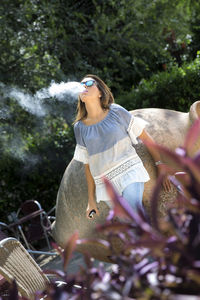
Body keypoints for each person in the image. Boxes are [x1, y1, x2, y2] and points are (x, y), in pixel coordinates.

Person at [73, 74, 172, 219]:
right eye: (82, 85)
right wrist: (91, 200)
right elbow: (87, 166)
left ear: (100, 92)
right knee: (128, 225)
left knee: (133, 215)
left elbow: (145, 137)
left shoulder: (116, 112)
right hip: (105, 184)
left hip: (129, 172)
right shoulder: (79, 128)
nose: (84, 87)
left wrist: (160, 164)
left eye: (89, 83)